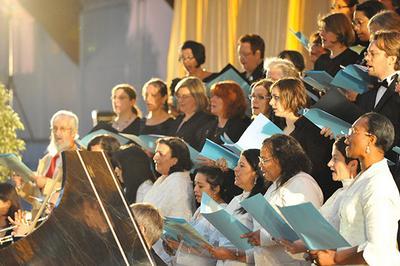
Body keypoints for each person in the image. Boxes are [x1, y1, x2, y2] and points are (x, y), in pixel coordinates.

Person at [310, 112, 400, 265]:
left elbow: (378, 248)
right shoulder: (363, 178)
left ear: (371, 139)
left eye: (353, 131)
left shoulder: (379, 185)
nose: (347, 138)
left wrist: (334, 259)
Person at [242, 134, 323, 265]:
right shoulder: (275, 185)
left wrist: (263, 237)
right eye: (260, 159)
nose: (260, 165)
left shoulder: (301, 183)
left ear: (282, 159)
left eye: (265, 160)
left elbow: (306, 230)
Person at [275, 137, 360, 255]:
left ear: (353, 165)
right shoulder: (340, 192)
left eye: (335, 159)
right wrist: (302, 244)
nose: (329, 163)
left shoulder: (355, 195)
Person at [269, 78, 338, 199]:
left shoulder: (311, 129)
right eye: (272, 97)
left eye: (276, 97)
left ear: (291, 97)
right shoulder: (279, 127)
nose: (271, 103)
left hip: (306, 194)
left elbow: (316, 168)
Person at [206, 149, 266, 265]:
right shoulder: (237, 199)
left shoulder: (260, 202)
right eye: (237, 165)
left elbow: (264, 249)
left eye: (242, 166)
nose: (235, 169)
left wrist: (233, 255)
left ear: (256, 173)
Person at [165, 166, 231, 266]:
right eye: (195, 185)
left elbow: (214, 251)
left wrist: (180, 246)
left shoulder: (222, 212)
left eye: (200, 186)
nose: (195, 189)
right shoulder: (201, 208)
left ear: (216, 189)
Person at [15, 110, 79, 209]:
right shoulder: (48, 159)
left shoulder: (78, 158)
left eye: (62, 129)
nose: (57, 133)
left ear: (74, 133)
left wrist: (46, 183)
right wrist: (22, 184)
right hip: (40, 219)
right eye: (54, 128)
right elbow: (37, 198)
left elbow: (75, 192)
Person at [355, 30, 400, 149]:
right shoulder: (369, 90)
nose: (367, 59)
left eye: (373, 54)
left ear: (391, 59)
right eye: (366, 53)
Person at [143, 137, 195, 220]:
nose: (154, 157)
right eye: (156, 153)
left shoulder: (179, 185)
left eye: (160, 154)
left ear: (174, 160)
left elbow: (180, 220)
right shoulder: (165, 178)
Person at [169, 77, 214, 151]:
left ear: (197, 97)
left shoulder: (206, 120)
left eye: (185, 96)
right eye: (178, 96)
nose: (180, 100)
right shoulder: (178, 119)